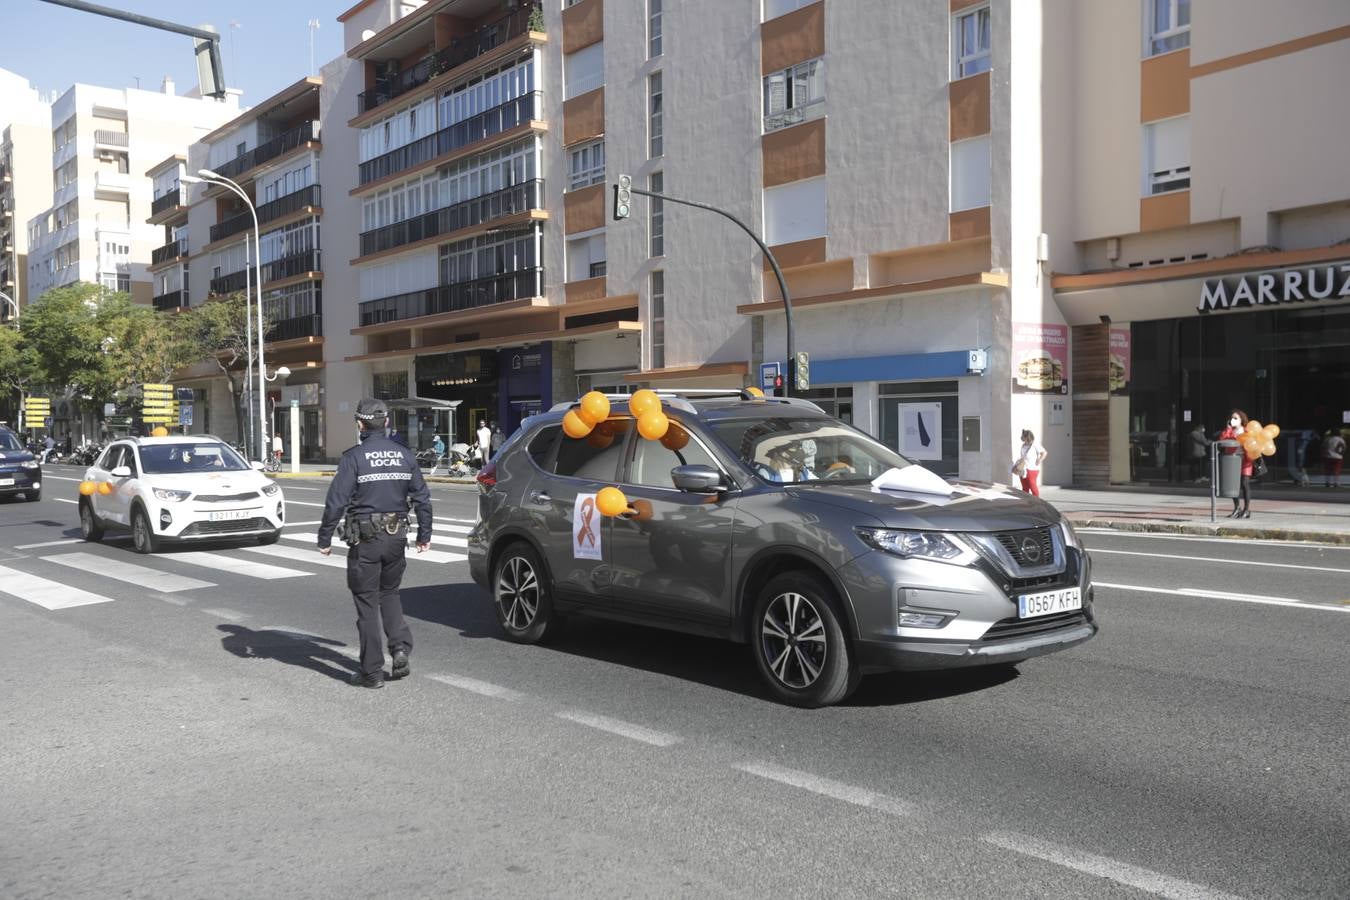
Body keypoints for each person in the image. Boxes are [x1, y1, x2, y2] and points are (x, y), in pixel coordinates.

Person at [317, 399, 433, 689]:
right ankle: (400, 648)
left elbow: (336, 501)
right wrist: (424, 535)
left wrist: (325, 537)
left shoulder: (354, 458)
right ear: (387, 423)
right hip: (396, 538)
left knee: (367, 603)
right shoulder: (405, 456)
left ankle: (372, 673)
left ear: (360, 425)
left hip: (366, 541)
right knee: (390, 593)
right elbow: (422, 498)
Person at [1219, 410, 1254, 518]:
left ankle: (1247, 509)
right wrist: (1228, 428)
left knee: (1244, 484)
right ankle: (1237, 507)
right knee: (1233, 485)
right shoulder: (1230, 431)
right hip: (1232, 461)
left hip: (1245, 461)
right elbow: (1222, 440)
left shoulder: (1247, 431)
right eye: (1231, 418)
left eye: (1235, 418)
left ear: (1241, 420)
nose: (1232, 420)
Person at [1012, 429, 1047, 496]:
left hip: (1032, 469)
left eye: (1023, 436)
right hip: (1023, 469)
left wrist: (1039, 460)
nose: (1021, 438)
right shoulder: (1023, 445)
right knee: (1025, 488)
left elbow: (1044, 453)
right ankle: (1026, 504)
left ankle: (1037, 502)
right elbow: (1023, 456)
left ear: (1027, 437)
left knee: (1032, 486)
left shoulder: (1035, 445)